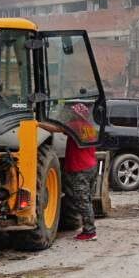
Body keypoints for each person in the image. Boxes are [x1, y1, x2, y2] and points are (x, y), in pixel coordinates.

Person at [40, 102, 99, 241]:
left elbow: (56, 128)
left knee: (82, 201)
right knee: (86, 199)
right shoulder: (89, 126)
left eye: (72, 113)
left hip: (80, 168)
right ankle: (89, 229)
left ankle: (90, 232)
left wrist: (37, 124)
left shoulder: (75, 125)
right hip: (90, 165)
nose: (69, 115)